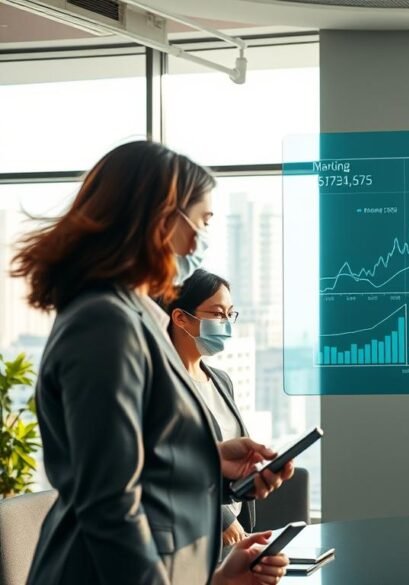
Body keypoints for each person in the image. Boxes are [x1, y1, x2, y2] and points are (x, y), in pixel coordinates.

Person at [12, 141, 294, 585]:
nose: (203, 239)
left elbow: (142, 469)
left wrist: (212, 461)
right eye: (202, 221)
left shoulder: (136, 317)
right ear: (162, 220)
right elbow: (111, 503)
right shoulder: (104, 322)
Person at [164, 269, 255, 546]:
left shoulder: (221, 380)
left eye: (230, 314)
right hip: (190, 534)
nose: (226, 323)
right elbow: (170, 464)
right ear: (180, 318)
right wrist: (221, 517)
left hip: (235, 533)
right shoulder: (163, 385)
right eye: (217, 314)